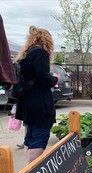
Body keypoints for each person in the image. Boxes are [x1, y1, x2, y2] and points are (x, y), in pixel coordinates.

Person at [15, 26, 58, 163]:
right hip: (39, 102)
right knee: (40, 135)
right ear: (46, 40)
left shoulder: (26, 54)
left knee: (30, 136)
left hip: (27, 102)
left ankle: (28, 171)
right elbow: (43, 77)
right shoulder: (41, 53)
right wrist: (55, 78)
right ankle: (32, 171)